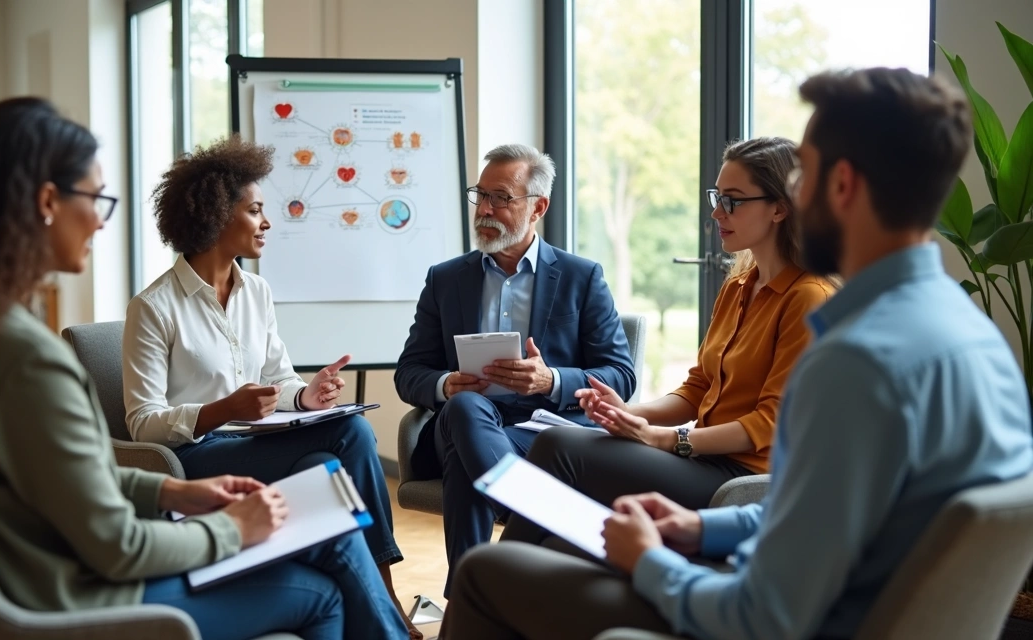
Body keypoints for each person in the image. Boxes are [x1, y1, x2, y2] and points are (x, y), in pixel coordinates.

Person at [440, 68, 1033, 640]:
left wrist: (651, 561)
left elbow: (764, 615)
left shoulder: (856, 362)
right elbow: (816, 512)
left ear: (842, 186)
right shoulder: (972, 336)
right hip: (824, 591)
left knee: (485, 573)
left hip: (779, 618)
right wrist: (702, 527)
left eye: (806, 179)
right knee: (569, 546)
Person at [0, 97, 406, 640]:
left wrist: (176, 489)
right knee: (325, 577)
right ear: (48, 203)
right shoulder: (25, 360)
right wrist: (235, 528)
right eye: (97, 199)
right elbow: (118, 546)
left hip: (32, 577)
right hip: (74, 599)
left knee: (325, 504)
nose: (103, 222)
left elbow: (65, 476)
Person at [121, 135, 418, 638]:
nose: (267, 222)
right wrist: (219, 410)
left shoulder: (256, 291)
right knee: (355, 437)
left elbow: (277, 378)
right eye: (256, 210)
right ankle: (387, 587)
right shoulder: (153, 307)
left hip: (259, 446)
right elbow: (142, 422)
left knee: (326, 470)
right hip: (198, 458)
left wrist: (304, 395)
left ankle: (369, 616)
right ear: (216, 216)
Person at [499, 137, 835, 549]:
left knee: (558, 448)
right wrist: (625, 413)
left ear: (780, 208)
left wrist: (665, 439)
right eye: (717, 197)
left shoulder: (808, 298)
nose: (715, 212)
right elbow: (697, 389)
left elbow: (769, 424)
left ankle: (485, 588)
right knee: (563, 514)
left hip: (743, 479)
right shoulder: (739, 286)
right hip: (702, 458)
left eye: (732, 201)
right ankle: (523, 578)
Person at [394, 143, 636, 596]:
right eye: (480, 195)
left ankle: (468, 601)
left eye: (501, 198)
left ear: (537, 207)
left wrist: (552, 380)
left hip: (547, 433)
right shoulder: (445, 279)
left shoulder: (581, 277)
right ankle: (545, 518)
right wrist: (446, 384)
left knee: (468, 463)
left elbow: (620, 375)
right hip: (461, 421)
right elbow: (410, 371)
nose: (485, 209)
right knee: (466, 410)